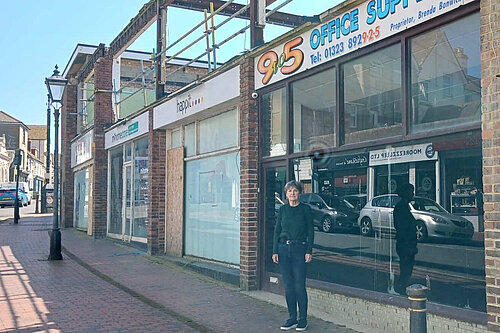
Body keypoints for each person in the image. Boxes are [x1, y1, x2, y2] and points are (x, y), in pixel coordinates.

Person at [272, 180, 314, 331]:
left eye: (295, 190)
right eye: (289, 191)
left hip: (299, 249)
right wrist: (275, 250)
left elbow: (311, 231)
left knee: (299, 285)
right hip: (284, 250)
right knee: (288, 286)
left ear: (299, 193)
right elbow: (277, 231)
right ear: (286, 194)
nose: (292, 193)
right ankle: (292, 318)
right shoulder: (283, 210)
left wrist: (309, 250)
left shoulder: (305, 209)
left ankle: (303, 319)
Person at [393, 183, 418, 296]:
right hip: (405, 245)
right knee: (405, 269)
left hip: (407, 244)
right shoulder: (401, 208)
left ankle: (402, 287)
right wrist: (409, 246)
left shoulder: (404, 207)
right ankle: (401, 288)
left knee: (407, 269)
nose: (413, 194)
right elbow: (402, 228)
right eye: (411, 191)